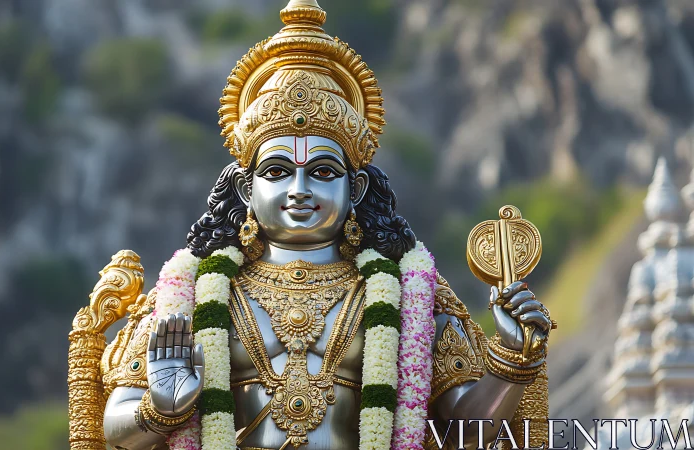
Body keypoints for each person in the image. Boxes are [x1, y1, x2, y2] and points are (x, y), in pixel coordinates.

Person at [68, 1, 553, 449]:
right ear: (245, 188)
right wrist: (161, 408)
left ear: (355, 188)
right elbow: (115, 426)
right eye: (277, 171)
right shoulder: (191, 295)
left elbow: (467, 433)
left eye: (322, 172)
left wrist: (513, 360)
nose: (299, 189)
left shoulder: (409, 294)